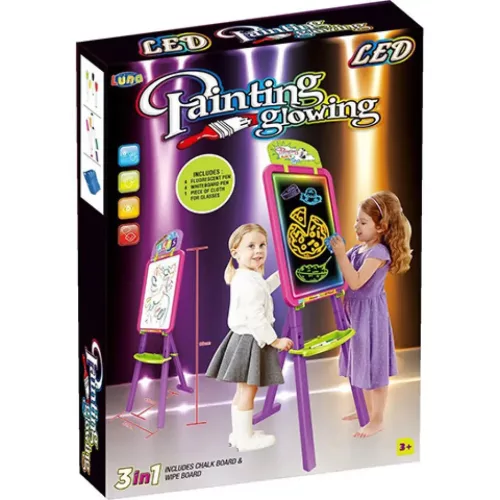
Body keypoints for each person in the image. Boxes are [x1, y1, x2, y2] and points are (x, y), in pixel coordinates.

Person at [329, 191, 412, 438]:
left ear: (381, 227)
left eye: (363, 222)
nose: (356, 226)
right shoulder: (359, 249)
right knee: (360, 363)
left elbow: (355, 282)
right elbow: (343, 272)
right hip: (355, 315)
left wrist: (340, 254)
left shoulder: (378, 254)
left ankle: (377, 419)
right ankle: (364, 409)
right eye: (357, 220)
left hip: (370, 317)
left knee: (374, 367)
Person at [206, 223, 293, 452]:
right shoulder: (247, 281)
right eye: (251, 246)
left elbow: (264, 288)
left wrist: (281, 276)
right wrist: (275, 341)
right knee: (248, 391)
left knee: (243, 390)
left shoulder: (246, 277)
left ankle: (239, 434)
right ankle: (245, 438)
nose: (258, 251)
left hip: (244, 339)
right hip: (252, 340)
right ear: (236, 252)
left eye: (262, 245)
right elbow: (256, 318)